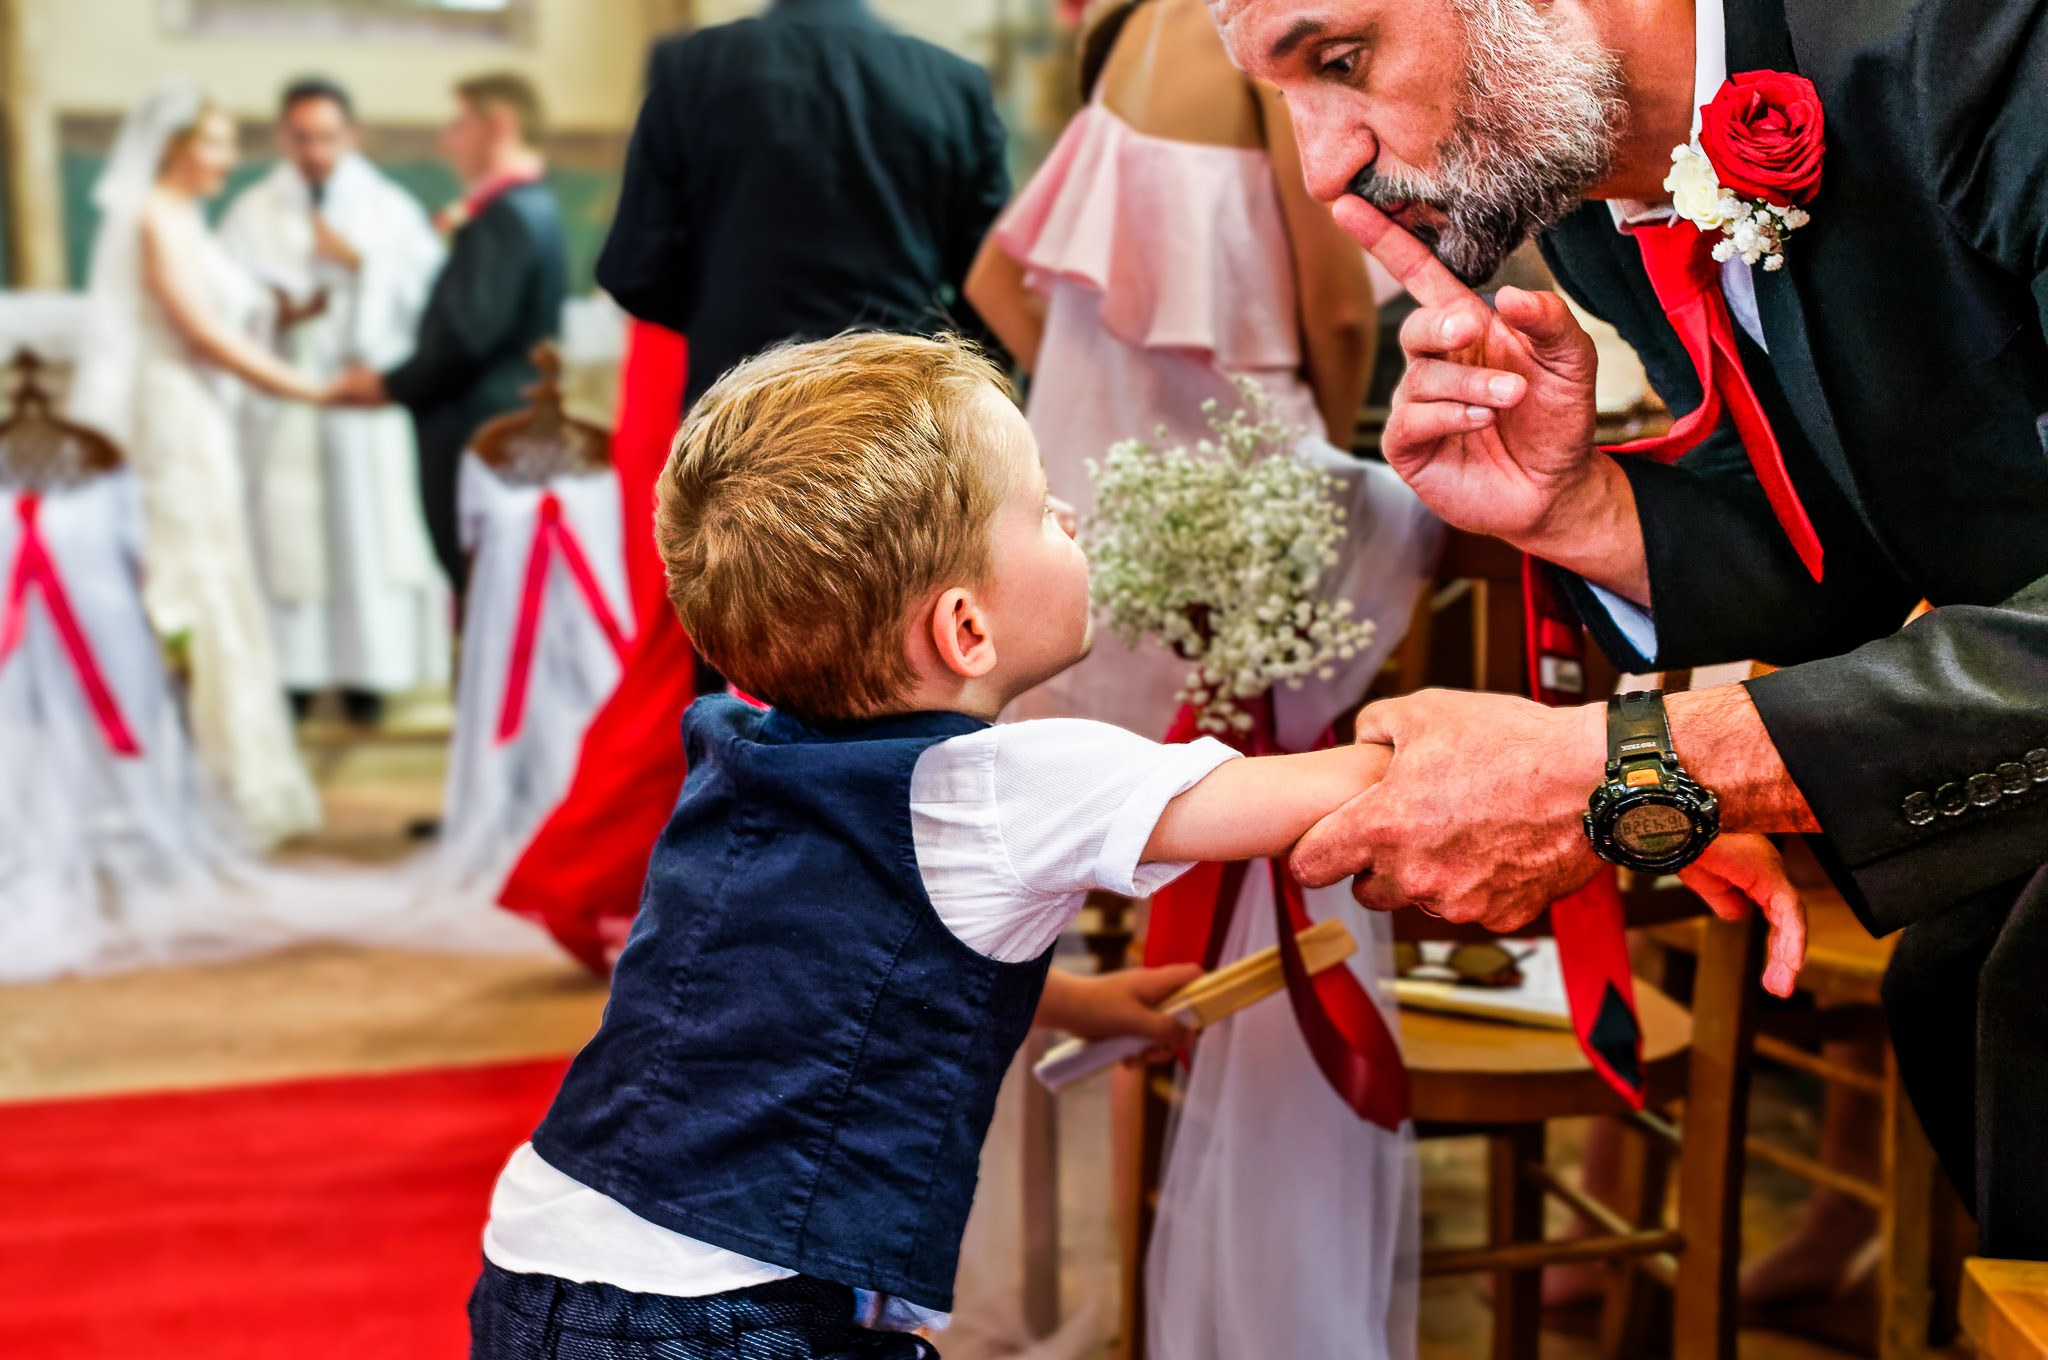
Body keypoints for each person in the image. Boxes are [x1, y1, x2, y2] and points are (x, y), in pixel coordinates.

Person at [1214, 0, 2048, 1257]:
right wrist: (1590, 512)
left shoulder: (1983, 46)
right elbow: (1862, 558)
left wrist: (1625, 765)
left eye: (1340, 61)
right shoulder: (1598, 210)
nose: (1323, 164)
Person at [496, 0, 1015, 972]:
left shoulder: (695, 67)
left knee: (739, 669)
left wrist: (738, 290)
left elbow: (636, 269)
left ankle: (740, 920)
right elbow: (985, 277)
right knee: (902, 661)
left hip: (744, 421)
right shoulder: (949, 83)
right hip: (897, 422)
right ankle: (885, 908)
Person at [966, 0, 1379, 737]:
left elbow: (992, 282)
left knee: (1082, 780)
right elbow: (1341, 312)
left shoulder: (1135, 32)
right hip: (1227, 499)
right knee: (1217, 778)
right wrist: (1322, 469)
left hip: (1075, 497)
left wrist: (1104, 393)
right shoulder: (1271, 40)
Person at [66, 81, 325, 848]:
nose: (227, 158)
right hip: (168, 417)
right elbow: (202, 333)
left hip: (200, 413)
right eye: (214, 142)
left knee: (215, 572)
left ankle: (227, 773)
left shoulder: (185, 217)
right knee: (185, 577)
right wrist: (310, 389)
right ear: (176, 147)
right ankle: (190, 775)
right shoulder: (152, 217)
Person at [219, 77, 449, 726]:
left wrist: (358, 263)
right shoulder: (253, 211)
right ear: (283, 137)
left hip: (363, 396)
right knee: (289, 535)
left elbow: (428, 293)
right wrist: (280, 309)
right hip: (287, 397)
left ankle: (367, 676)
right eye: (301, 136)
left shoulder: (388, 208)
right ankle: (293, 673)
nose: (314, 149)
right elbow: (224, 298)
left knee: (366, 533)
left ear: (350, 135)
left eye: (325, 135)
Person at [329, 72, 566, 592]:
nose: (446, 141)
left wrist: (388, 385)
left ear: (498, 127)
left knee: (483, 584)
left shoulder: (506, 216)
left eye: (459, 125)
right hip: (502, 419)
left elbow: (464, 337)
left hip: (477, 427)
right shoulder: (531, 205)